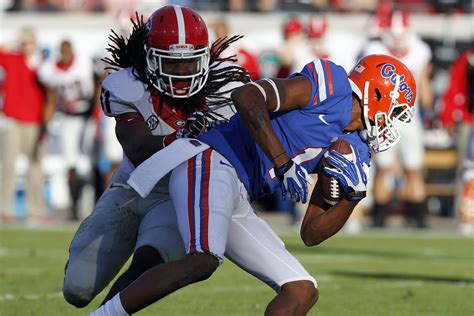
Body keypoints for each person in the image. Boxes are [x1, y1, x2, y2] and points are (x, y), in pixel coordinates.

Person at [93, 54, 417, 315]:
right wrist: (282, 161)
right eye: (396, 110)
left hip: (240, 192)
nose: (394, 121)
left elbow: (312, 232)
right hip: (212, 158)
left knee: (301, 290)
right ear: (376, 93)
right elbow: (246, 95)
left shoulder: (357, 148)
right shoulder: (331, 87)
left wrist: (353, 197)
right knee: (202, 259)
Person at [62, 5, 251, 308]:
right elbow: (136, 146)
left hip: (176, 194)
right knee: (77, 289)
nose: (182, 73)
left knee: (145, 268)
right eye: (172, 64)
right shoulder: (127, 86)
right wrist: (181, 136)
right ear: (150, 59)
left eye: (190, 63)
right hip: (131, 186)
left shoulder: (227, 92)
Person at [361, 11, 433, 228]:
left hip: (409, 117)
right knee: (383, 167)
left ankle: (418, 216)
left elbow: (424, 86)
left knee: (414, 167)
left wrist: (428, 109)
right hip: (382, 118)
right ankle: (380, 216)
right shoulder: (374, 50)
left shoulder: (420, 50)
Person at [0, 28, 53, 224]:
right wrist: (16, 38)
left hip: (35, 121)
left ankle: (36, 210)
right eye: (25, 42)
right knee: (8, 167)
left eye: (30, 42)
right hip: (12, 120)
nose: (26, 46)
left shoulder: (41, 63)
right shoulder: (12, 59)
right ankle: (5, 209)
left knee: (35, 168)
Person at [39, 39, 96, 221]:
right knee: (71, 162)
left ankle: (90, 204)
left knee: (88, 161)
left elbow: (96, 85)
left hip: (86, 115)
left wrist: (95, 112)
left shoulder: (83, 64)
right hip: (68, 118)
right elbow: (51, 93)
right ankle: (74, 205)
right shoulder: (53, 70)